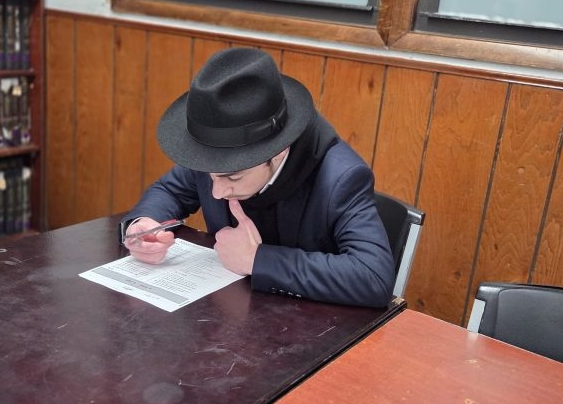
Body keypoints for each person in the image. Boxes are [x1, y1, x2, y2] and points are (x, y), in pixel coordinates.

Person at [123, 47, 394, 308]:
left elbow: (373, 277)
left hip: (312, 326)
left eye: (233, 177)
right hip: (226, 314)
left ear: (278, 152)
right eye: (211, 177)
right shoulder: (211, 156)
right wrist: (143, 225)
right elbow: (170, 191)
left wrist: (257, 260)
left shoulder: (341, 178)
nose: (217, 192)